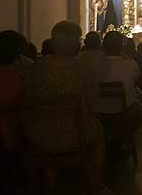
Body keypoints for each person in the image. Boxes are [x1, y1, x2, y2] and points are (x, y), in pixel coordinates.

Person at [23, 21, 106, 194]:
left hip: (39, 134)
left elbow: (28, 97)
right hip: (76, 132)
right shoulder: (82, 68)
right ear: (75, 43)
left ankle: (50, 181)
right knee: (99, 134)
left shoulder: (36, 67)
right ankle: (95, 185)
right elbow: (90, 101)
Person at [95, 31, 142, 144]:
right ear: (122, 46)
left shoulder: (95, 64)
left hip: (98, 111)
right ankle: (124, 138)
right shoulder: (130, 64)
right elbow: (137, 80)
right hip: (124, 111)